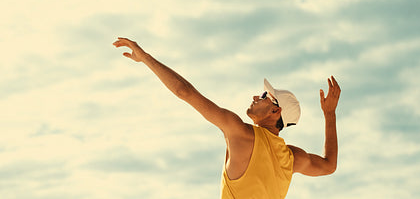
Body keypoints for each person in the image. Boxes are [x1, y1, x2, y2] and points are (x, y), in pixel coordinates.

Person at [113, 37, 341, 199]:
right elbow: (329, 165)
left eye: (264, 96)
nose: (256, 96)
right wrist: (329, 115)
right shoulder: (293, 158)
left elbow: (185, 92)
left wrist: (145, 58)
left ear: (275, 111)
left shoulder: (240, 132)